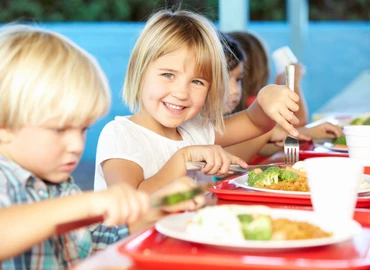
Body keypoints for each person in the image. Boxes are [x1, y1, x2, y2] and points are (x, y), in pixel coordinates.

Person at [0, 24, 204, 269]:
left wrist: (151, 209)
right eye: (59, 130)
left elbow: (92, 244)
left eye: (83, 129)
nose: (76, 145)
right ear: (5, 126)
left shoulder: (59, 186)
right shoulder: (6, 180)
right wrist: (87, 204)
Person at [94, 9, 302, 194]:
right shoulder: (121, 135)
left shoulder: (194, 129)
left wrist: (265, 99)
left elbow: (255, 122)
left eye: (197, 81)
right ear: (138, 73)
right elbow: (131, 202)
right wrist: (183, 158)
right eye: (168, 75)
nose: (182, 92)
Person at [223, 31, 342, 163]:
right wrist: (292, 83)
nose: (234, 90)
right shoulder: (251, 106)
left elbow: (260, 145)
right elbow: (232, 156)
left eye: (238, 79)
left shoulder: (226, 121)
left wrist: (307, 133)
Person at [228, 31, 309, 127]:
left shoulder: (250, 103)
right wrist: (293, 84)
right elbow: (297, 123)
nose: (234, 91)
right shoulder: (254, 104)